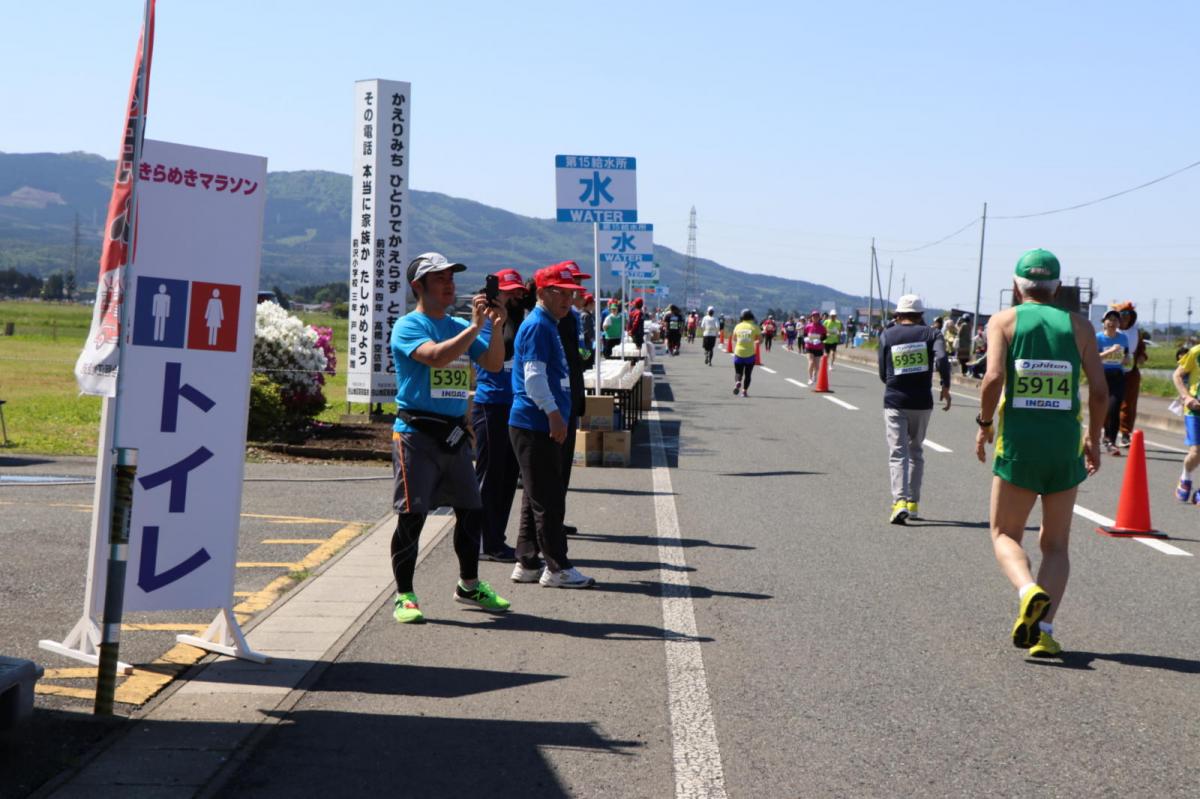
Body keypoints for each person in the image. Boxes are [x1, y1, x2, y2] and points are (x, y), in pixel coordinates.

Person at [975, 248, 1107, 658]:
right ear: (1057, 287)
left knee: (1004, 534)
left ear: (1016, 286)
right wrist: (1094, 439)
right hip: (1064, 446)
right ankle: (1044, 631)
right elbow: (1101, 391)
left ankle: (1027, 590)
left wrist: (983, 426)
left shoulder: (1004, 321)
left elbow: (993, 377)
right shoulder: (1080, 326)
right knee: (1056, 545)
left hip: (1019, 445)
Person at [388, 252, 512, 623]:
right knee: (412, 515)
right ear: (418, 287)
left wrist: (497, 326)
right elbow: (437, 358)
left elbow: (492, 364)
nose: (449, 283)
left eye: (451, 277)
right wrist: (474, 329)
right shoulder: (409, 326)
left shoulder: (458, 324)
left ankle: (469, 584)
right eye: (439, 278)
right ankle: (404, 595)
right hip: (415, 434)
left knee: (471, 512)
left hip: (455, 435)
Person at [509, 265, 595, 588]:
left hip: (537, 421)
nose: (568, 298)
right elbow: (533, 378)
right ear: (542, 292)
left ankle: (528, 561)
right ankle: (557, 567)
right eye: (560, 291)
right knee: (549, 499)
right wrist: (553, 413)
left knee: (537, 496)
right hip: (535, 421)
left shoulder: (550, 323)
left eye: (571, 292)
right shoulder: (539, 326)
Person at [877, 295, 951, 524]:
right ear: (921, 315)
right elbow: (942, 359)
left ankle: (899, 501)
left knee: (898, 452)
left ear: (898, 315)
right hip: (921, 402)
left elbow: (882, 371)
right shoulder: (932, 334)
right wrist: (945, 386)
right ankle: (913, 503)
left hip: (895, 400)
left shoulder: (887, 334)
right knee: (916, 451)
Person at [471, 268, 527, 563]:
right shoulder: (485, 322)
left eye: (519, 290)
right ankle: (482, 540)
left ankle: (495, 538)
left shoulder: (516, 321)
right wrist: (494, 321)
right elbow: (488, 361)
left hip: (512, 404)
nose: (517, 295)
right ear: (496, 293)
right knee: (490, 476)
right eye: (510, 291)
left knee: (507, 476)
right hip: (491, 404)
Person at [1096, 309, 1130, 456]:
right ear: (1104, 323)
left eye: (1115, 320)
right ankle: (1097, 435)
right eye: (1109, 319)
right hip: (1101, 375)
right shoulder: (1098, 338)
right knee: (1102, 408)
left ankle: (1111, 441)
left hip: (1118, 375)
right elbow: (1094, 357)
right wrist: (1110, 351)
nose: (1112, 322)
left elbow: (1126, 355)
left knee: (1115, 407)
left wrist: (1126, 359)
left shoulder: (1123, 338)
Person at [1114, 302, 1146, 446]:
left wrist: (1141, 356)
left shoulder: (1135, 332)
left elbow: (1141, 349)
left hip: (1131, 372)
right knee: (1110, 402)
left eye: (1128, 315)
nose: (1125, 318)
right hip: (1112, 371)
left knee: (1129, 404)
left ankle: (1125, 434)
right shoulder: (1111, 331)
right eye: (1121, 315)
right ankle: (1108, 433)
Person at [1172, 341, 1200, 502]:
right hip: (1195, 410)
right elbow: (1177, 375)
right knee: (1196, 452)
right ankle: (1186, 476)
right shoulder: (1196, 352)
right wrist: (1186, 396)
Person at [731, 308, 760, 397]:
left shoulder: (738, 326)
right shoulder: (754, 326)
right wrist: (754, 342)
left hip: (738, 352)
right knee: (748, 374)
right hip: (750, 354)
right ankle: (744, 391)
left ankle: (738, 382)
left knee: (738, 372)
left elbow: (734, 339)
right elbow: (760, 340)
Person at [802, 310, 826, 384]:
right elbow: (805, 335)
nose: (815, 318)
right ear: (811, 317)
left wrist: (819, 340)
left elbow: (824, 336)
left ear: (819, 318)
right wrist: (806, 339)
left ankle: (814, 375)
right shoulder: (808, 326)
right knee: (811, 362)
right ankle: (809, 378)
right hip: (809, 346)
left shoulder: (822, 327)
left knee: (817, 365)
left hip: (818, 347)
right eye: (813, 316)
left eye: (817, 316)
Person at [578, 292, 596, 369]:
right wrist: (592, 338)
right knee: (587, 366)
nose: (594, 305)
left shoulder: (587, 314)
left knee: (588, 365)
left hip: (587, 345)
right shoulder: (586, 316)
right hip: (586, 346)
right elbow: (586, 331)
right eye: (593, 303)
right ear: (589, 304)